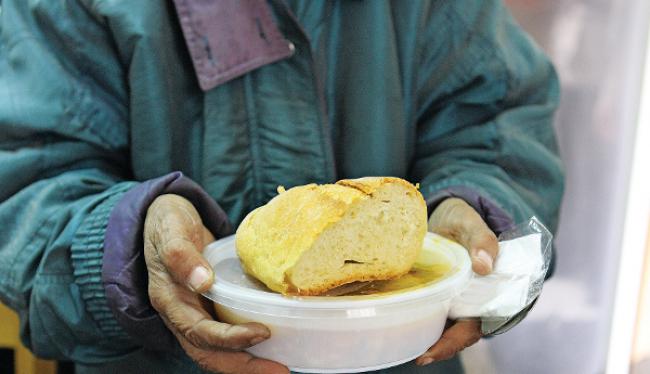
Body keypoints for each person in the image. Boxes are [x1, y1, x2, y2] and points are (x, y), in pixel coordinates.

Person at [0, 0, 563, 373]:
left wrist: (477, 210)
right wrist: (124, 246)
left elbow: (497, 121)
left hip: (403, 356)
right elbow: (24, 187)